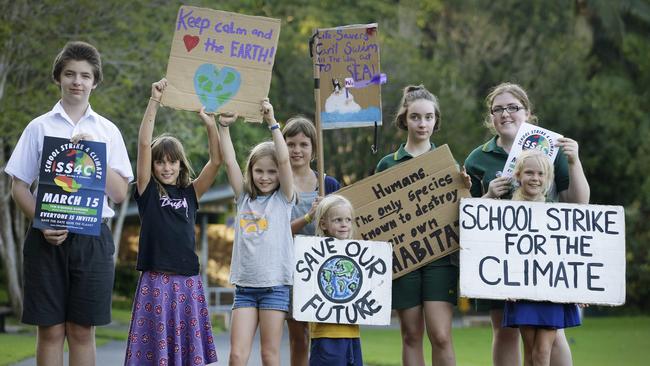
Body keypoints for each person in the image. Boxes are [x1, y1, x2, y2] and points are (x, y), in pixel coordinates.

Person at [4, 41, 133, 366]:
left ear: (95, 81)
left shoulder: (107, 131)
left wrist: (95, 158)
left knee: (81, 331)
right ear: (59, 77)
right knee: (49, 331)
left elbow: (119, 194)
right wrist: (42, 222)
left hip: (92, 240)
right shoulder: (39, 127)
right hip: (46, 239)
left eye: (85, 75)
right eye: (70, 74)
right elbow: (18, 186)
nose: (77, 81)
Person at [464, 82, 590, 366]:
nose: (505, 114)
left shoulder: (552, 150)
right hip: (500, 259)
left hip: (545, 256)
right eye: (498, 109)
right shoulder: (477, 158)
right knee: (504, 330)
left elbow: (577, 204)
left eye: (513, 108)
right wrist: (488, 195)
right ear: (490, 116)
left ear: (528, 112)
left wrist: (575, 161)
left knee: (553, 334)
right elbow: (466, 216)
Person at [123, 78, 220, 365]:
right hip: (156, 280)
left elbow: (216, 162)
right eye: (160, 162)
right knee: (157, 353)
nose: (166, 167)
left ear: (180, 164)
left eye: (172, 162)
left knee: (185, 353)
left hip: (188, 281)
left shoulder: (191, 193)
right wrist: (154, 100)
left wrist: (210, 124)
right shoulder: (148, 192)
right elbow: (143, 143)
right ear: (153, 166)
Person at [375, 85, 459, 366]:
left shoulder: (448, 163)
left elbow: (460, 213)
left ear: (436, 121)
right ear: (404, 120)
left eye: (428, 117)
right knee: (411, 335)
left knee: (441, 335)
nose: (422, 123)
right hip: (403, 261)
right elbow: (375, 218)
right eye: (415, 117)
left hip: (440, 259)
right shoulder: (387, 165)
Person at [220, 99, 295, 366]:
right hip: (245, 289)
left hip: (275, 286)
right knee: (237, 356)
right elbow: (229, 162)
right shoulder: (243, 199)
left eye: (271, 172)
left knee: (269, 354)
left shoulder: (284, 199)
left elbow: (285, 160)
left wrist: (273, 123)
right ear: (251, 171)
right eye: (259, 171)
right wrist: (224, 128)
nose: (265, 177)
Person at [503, 149, 582, 366]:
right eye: (529, 173)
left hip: (552, 292)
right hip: (522, 291)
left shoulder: (558, 214)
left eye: (541, 174)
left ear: (548, 178)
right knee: (530, 352)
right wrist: (504, 284)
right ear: (518, 176)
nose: (535, 178)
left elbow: (570, 253)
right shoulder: (505, 212)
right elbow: (500, 252)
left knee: (543, 351)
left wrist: (581, 288)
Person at [282, 116, 340, 366]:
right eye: (290, 143)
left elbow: (342, 228)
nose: (296, 150)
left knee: (325, 337)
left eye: (303, 144)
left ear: (314, 149)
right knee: (299, 337)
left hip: (321, 270)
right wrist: (308, 216)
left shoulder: (328, 184)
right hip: (288, 269)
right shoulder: (276, 184)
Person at [308, 194, 363, 366]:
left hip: (352, 333)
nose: (344, 224)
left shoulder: (360, 254)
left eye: (348, 219)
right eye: (338, 220)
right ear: (323, 224)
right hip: (325, 334)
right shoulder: (313, 253)